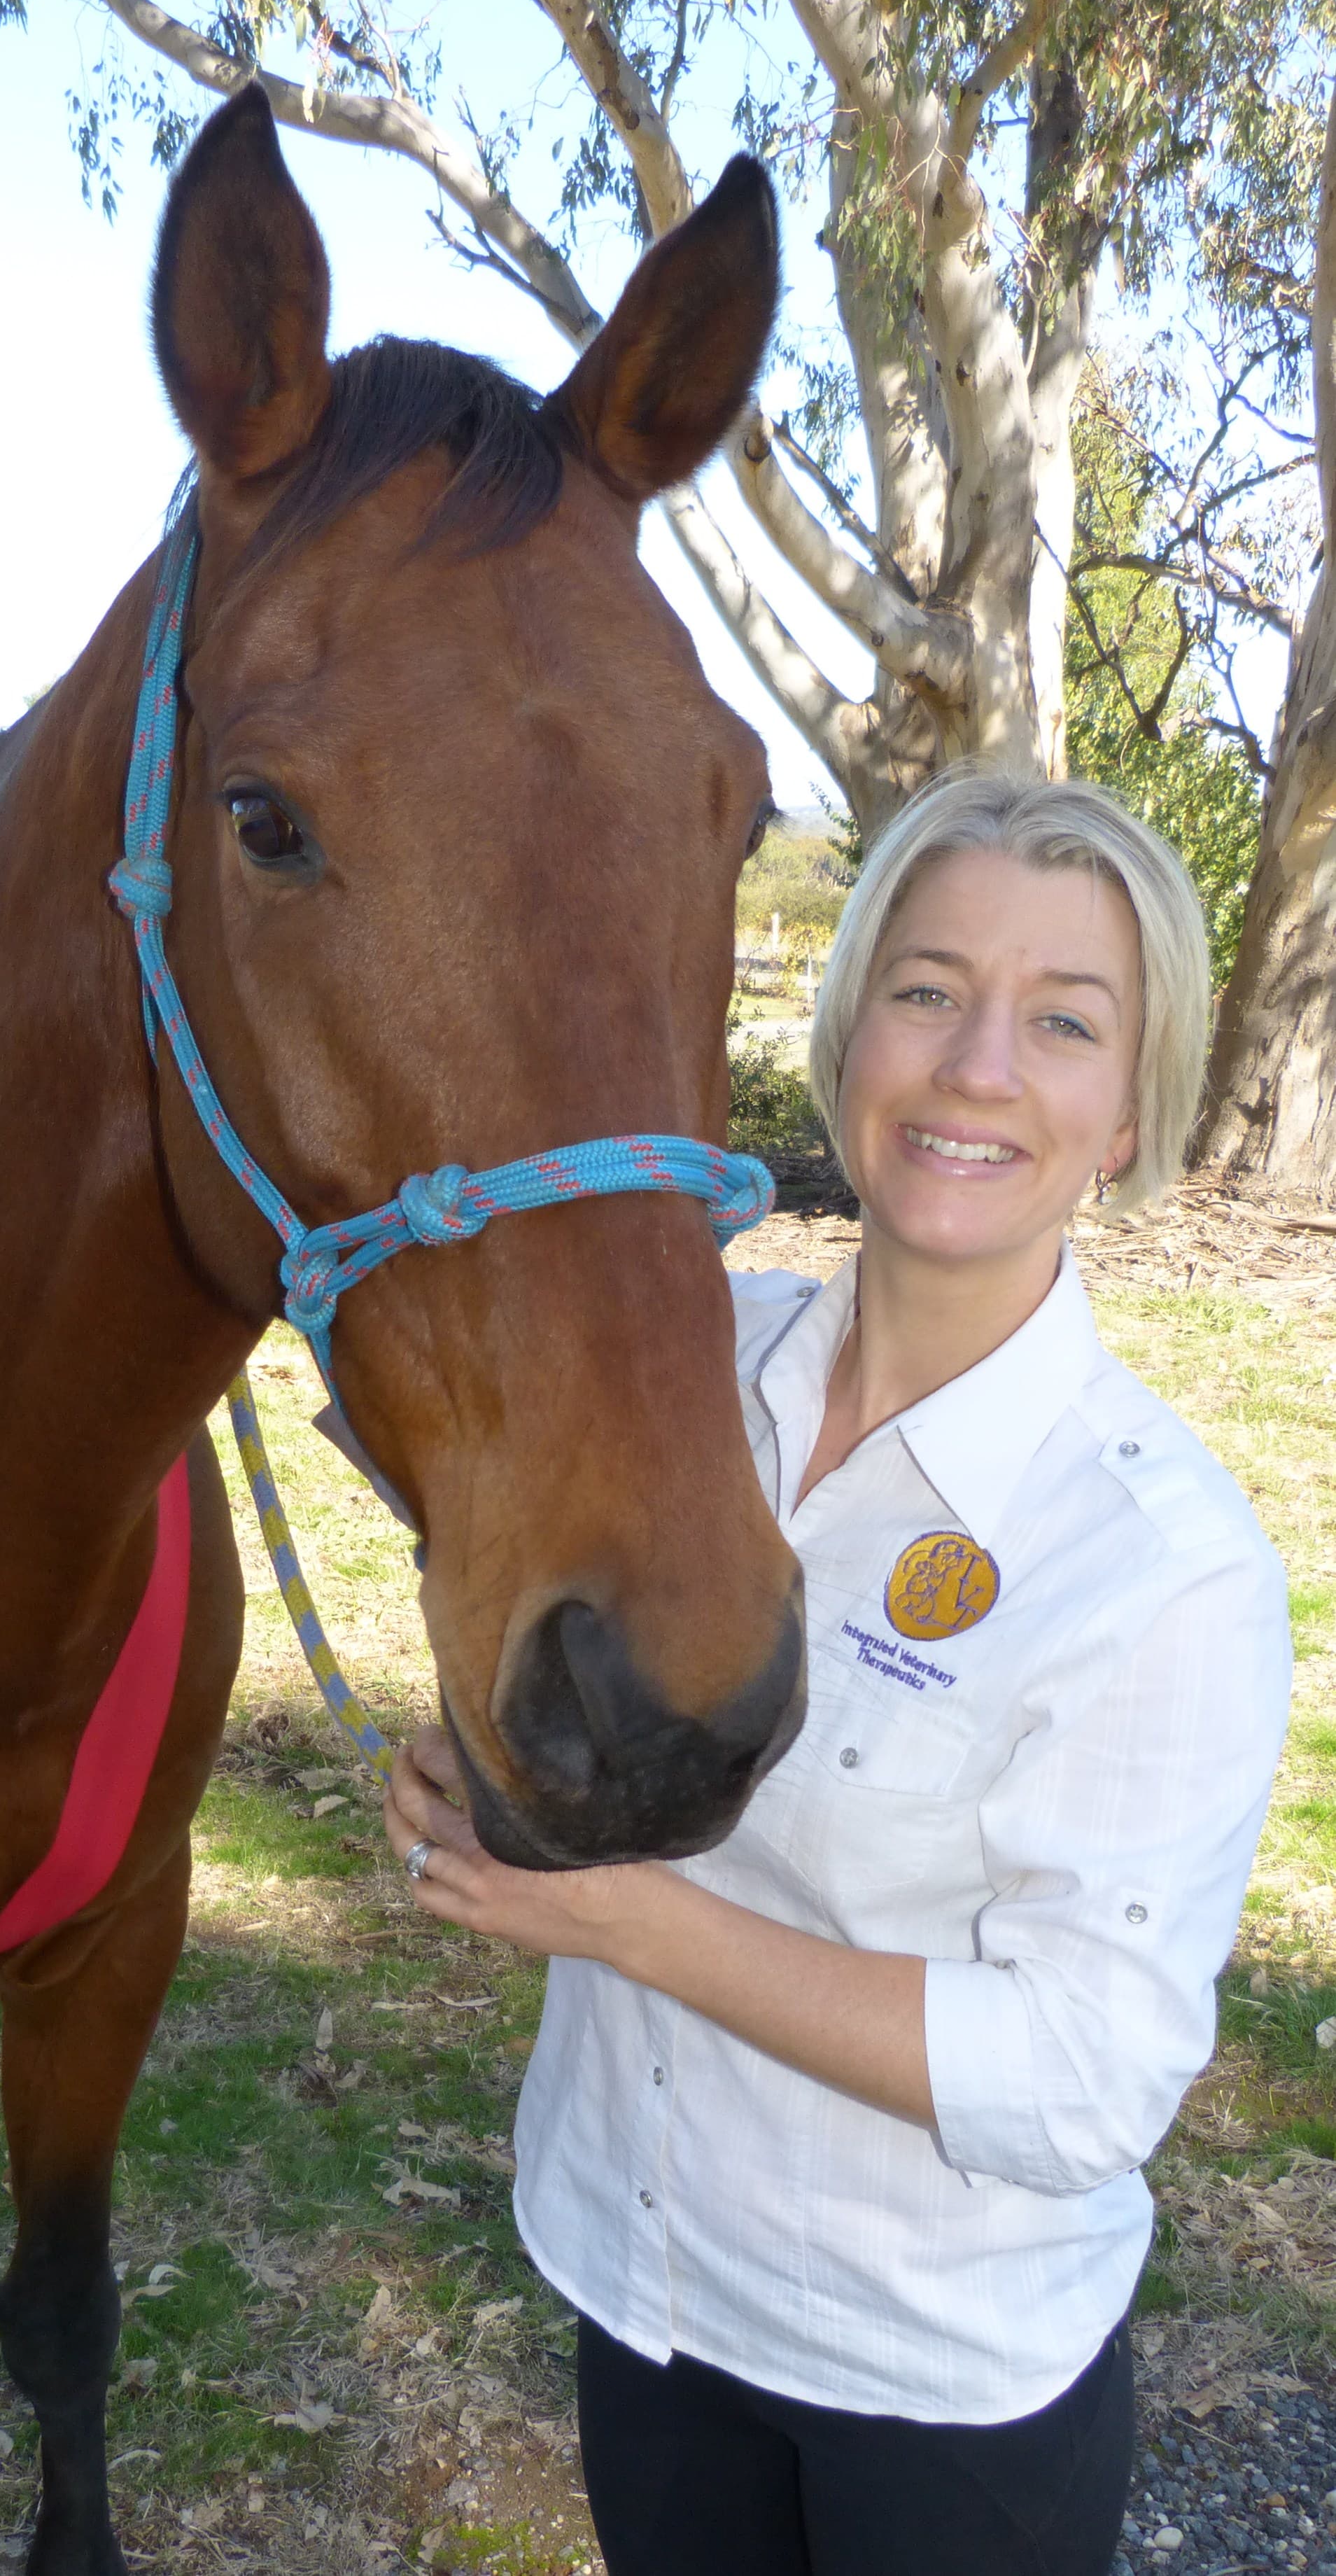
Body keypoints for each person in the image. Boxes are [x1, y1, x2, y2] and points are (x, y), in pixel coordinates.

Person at [381, 769, 1292, 2576]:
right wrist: (498, 1759)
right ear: (850, 1028)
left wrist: (626, 1920)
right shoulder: (692, 1368)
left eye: (1064, 1023)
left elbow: (1085, 2077)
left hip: (934, 2386)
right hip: (642, 2282)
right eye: (930, 989)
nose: (976, 1069)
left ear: (1126, 1117)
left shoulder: (1164, 1565)